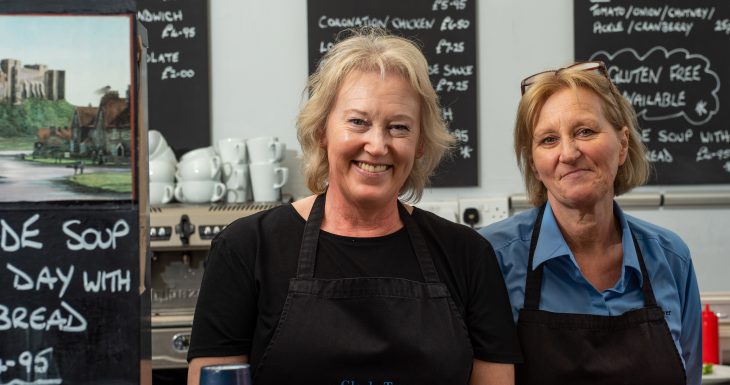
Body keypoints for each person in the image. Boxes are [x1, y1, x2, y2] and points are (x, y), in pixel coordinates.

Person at [187, 28, 521, 385]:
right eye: (358, 122)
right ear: (321, 131)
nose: (377, 145)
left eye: (399, 127)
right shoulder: (247, 248)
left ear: (420, 144)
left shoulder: (468, 256)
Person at [479, 61, 701, 385]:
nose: (568, 153)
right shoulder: (491, 258)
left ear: (622, 144)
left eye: (585, 131)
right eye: (549, 140)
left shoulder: (671, 258)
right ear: (533, 162)